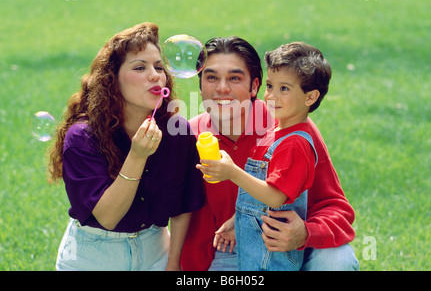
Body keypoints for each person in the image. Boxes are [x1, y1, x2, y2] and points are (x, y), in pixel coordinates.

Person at [180, 36, 358, 271]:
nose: (222, 88)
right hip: (228, 251)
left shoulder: (290, 130)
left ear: (254, 86)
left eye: (234, 78)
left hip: (297, 245)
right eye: (211, 77)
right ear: (201, 85)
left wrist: (305, 232)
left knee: (337, 263)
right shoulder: (189, 136)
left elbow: (334, 206)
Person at [47, 22, 204, 271]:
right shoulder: (82, 137)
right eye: (140, 67)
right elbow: (108, 218)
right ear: (112, 80)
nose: (154, 75)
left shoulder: (176, 131)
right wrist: (137, 155)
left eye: (159, 67)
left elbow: (184, 206)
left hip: (157, 252)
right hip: (94, 255)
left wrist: (174, 262)